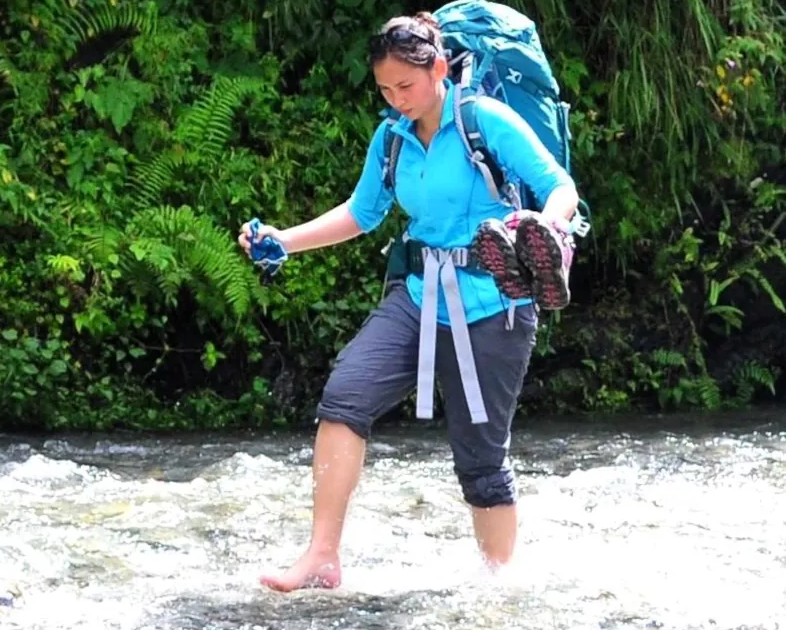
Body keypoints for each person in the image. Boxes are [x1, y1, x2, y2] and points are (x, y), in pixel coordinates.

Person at [237, 11, 581, 592]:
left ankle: (497, 588)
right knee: (344, 396)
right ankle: (322, 556)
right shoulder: (391, 137)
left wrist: (540, 230)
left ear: (439, 69)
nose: (396, 99)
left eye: (406, 86)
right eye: (385, 89)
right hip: (420, 296)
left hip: (496, 305)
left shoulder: (484, 121)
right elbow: (361, 213)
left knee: (480, 460)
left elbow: (560, 189)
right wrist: (283, 241)